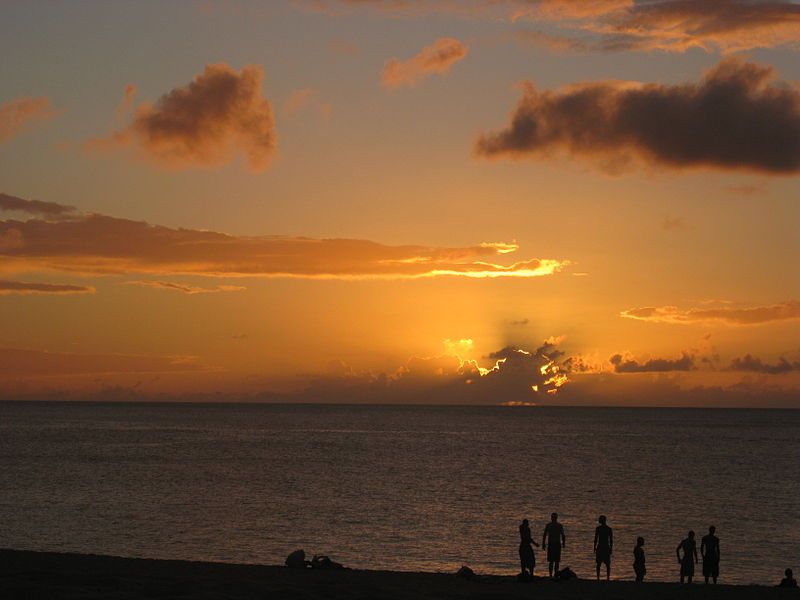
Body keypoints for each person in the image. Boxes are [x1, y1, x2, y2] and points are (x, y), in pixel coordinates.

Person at [542, 512, 566, 578]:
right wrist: (563, 543)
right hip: (554, 544)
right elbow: (563, 535)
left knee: (553, 561)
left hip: (554, 544)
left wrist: (543, 544)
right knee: (555, 561)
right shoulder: (557, 525)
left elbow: (544, 535)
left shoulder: (550, 525)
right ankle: (553, 574)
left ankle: (552, 575)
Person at [594, 515, 613, 581]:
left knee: (599, 564)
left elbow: (596, 539)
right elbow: (611, 540)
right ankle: (607, 578)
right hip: (605, 547)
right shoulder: (609, 529)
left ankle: (598, 578)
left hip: (601, 547)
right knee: (606, 564)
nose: (599, 520)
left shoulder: (598, 529)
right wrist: (611, 548)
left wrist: (594, 547)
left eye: (600, 519)